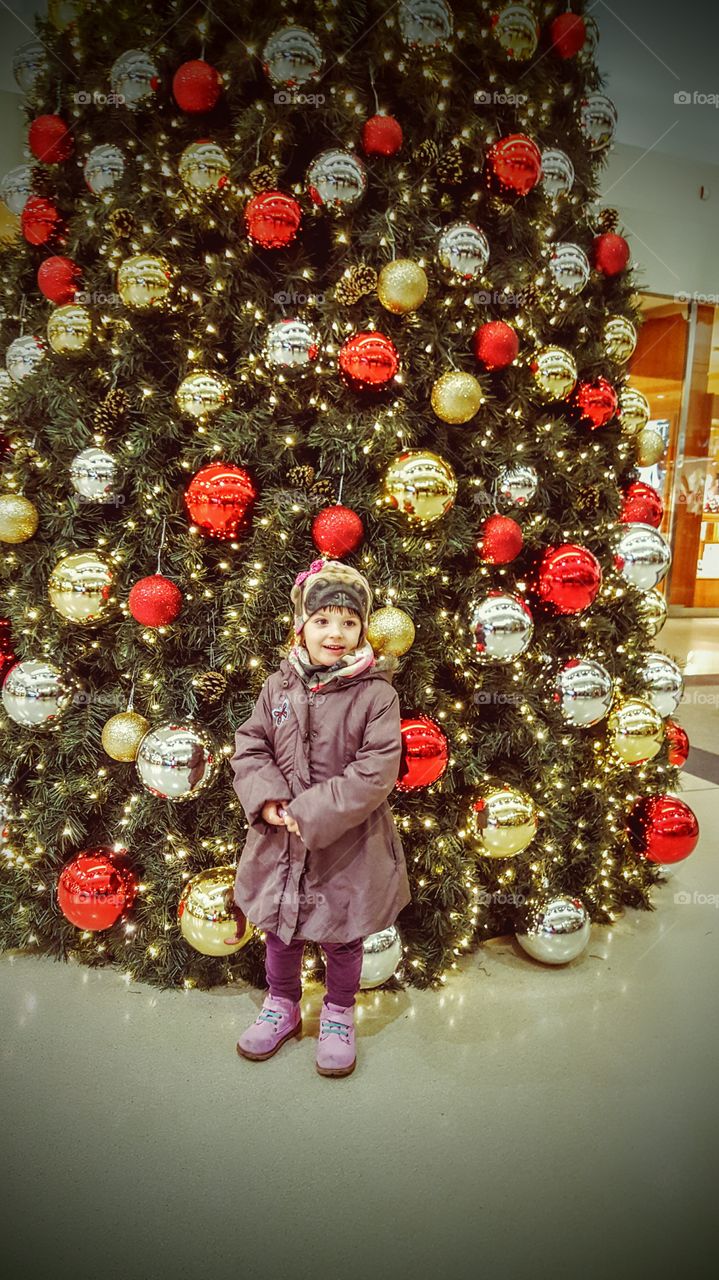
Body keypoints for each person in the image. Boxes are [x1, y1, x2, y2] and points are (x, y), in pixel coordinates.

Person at [229, 558, 411, 1078]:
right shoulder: (278, 688)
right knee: (280, 929)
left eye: (349, 622)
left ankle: (336, 1014)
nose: (336, 633)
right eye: (323, 620)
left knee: (342, 931)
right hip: (279, 839)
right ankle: (281, 1003)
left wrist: (307, 811)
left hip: (346, 841)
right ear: (301, 625)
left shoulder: (377, 694)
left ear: (362, 628)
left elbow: (375, 771)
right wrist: (268, 802)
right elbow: (251, 744)